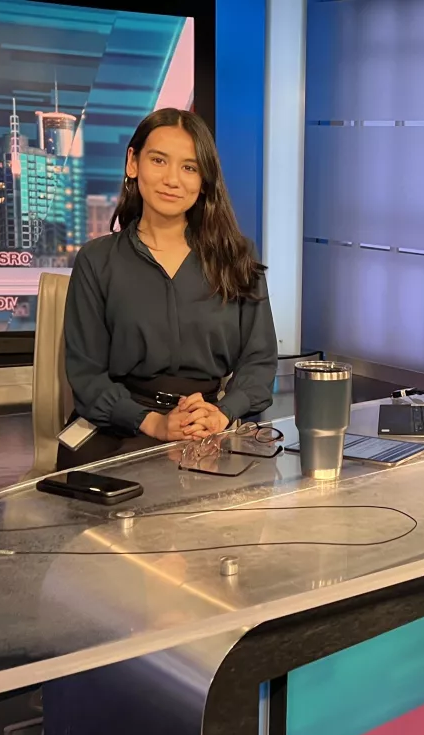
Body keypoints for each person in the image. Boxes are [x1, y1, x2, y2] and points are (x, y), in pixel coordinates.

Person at [58, 108, 276, 470]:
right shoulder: (97, 260)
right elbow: (87, 375)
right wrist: (155, 423)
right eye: (159, 160)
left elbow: (259, 360)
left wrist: (221, 414)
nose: (173, 179)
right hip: (122, 425)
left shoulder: (236, 256)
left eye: (189, 167)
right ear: (133, 163)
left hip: (209, 426)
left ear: (204, 179)